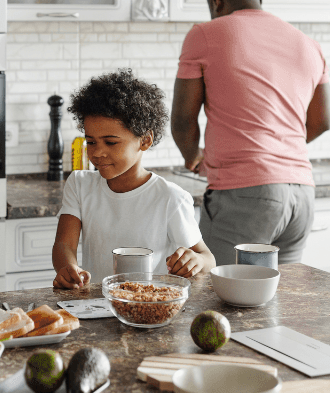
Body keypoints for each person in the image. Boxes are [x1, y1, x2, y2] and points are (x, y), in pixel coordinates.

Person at [171, 0, 330, 266]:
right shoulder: (308, 44)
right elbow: (323, 121)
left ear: (216, 2)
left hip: (245, 193)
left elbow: (182, 119)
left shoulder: (205, 34)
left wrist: (192, 156)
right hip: (302, 195)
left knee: (218, 297)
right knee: (282, 300)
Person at [51, 69, 216, 289]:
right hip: (97, 304)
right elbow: (64, 244)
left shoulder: (170, 197)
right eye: (91, 142)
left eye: (110, 142)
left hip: (149, 306)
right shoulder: (80, 184)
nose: (97, 153)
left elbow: (207, 258)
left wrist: (195, 261)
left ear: (145, 141)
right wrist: (68, 268)